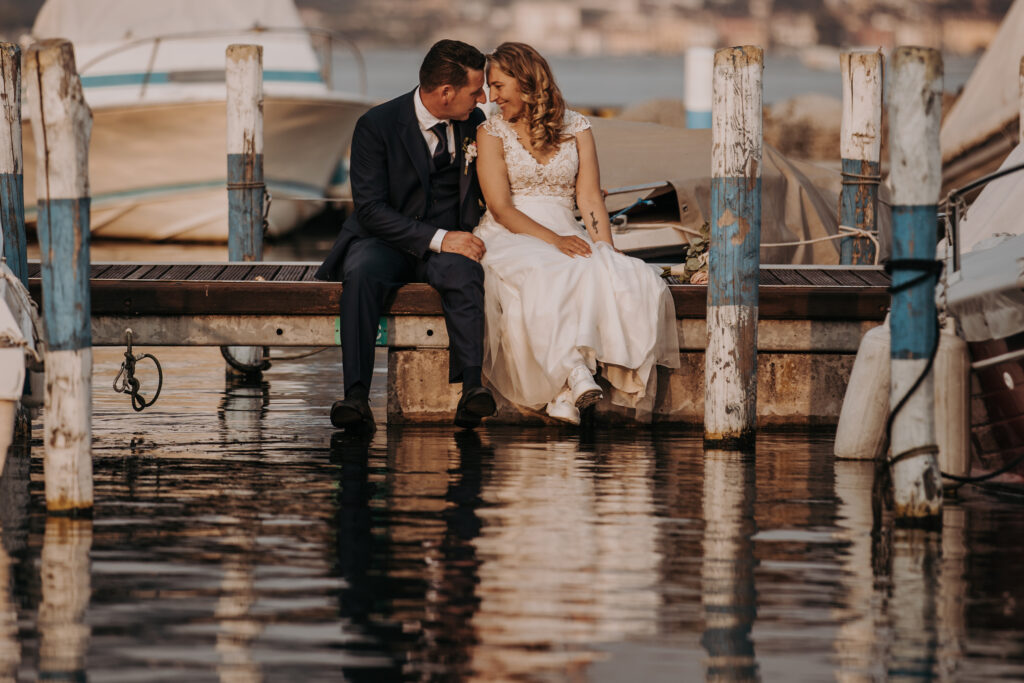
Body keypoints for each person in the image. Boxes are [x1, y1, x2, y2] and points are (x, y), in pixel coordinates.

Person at [474, 42, 680, 425]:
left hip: (566, 227)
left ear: (526, 81)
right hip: (510, 232)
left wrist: (605, 246)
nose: (493, 96)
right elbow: (501, 209)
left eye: (499, 85)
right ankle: (574, 371)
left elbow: (588, 197)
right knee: (545, 269)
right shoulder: (491, 132)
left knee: (613, 272)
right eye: (490, 86)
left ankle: (568, 392)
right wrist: (553, 241)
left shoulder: (578, 127)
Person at [316, 40, 497, 432]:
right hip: (386, 239)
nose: (482, 97)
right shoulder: (376, 125)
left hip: (451, 241)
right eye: (475, 89)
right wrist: (439, 238)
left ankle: (471, 389)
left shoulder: (475, 121)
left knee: (465, 273)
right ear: (446, 92)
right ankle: (356, 396)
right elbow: (370, 209)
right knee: (361, 271)